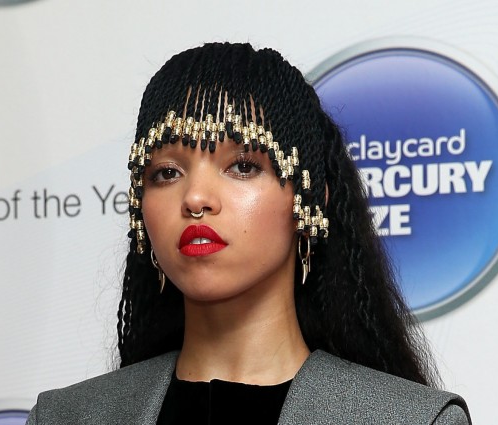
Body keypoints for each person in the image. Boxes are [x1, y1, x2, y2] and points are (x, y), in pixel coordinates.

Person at [26, 42, 471, 424]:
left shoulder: (414, 420)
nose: (195, 197)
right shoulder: (66, 417)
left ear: (309, 201)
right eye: (166, 172)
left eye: (242, 166)